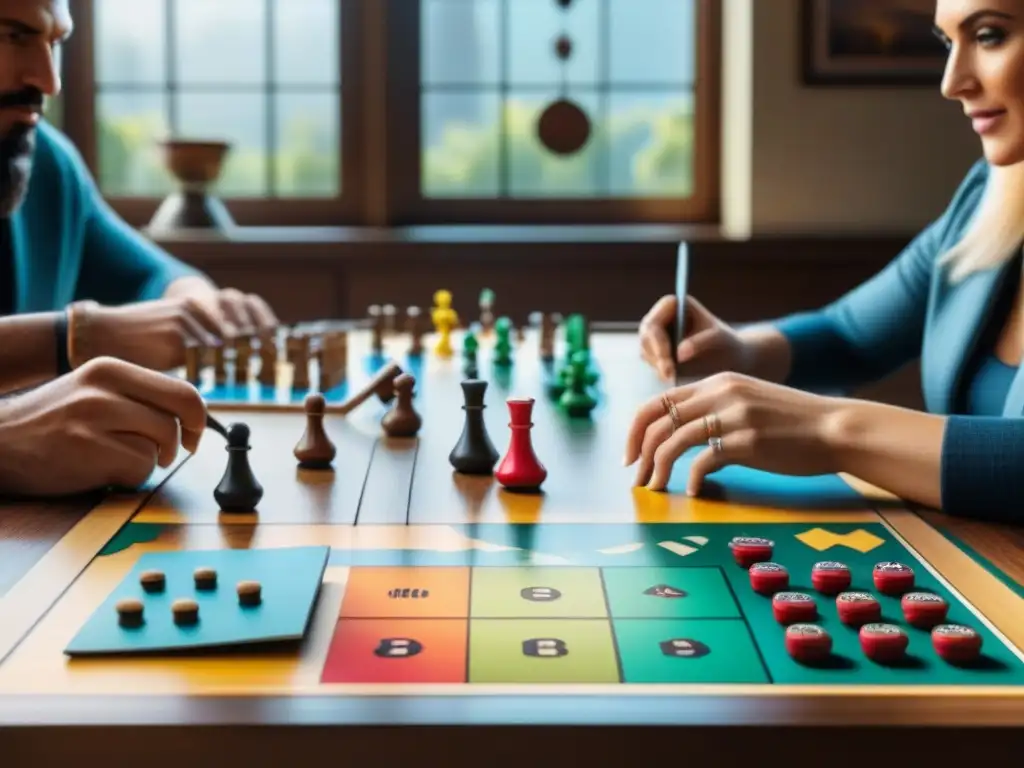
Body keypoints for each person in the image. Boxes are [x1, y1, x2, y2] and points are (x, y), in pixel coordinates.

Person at [626, 0, 1024, 524]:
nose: (952, 82)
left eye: (990, 35)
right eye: (949, 43)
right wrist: (742, 351)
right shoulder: (991, 195)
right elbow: (851, 334)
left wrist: (828, 430)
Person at [0, 0, 277, 496]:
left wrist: (195, 304)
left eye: (55, 42)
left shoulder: (46, 162)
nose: (48, 80)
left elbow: (151, 273)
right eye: (13, 36)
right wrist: (72, 339)